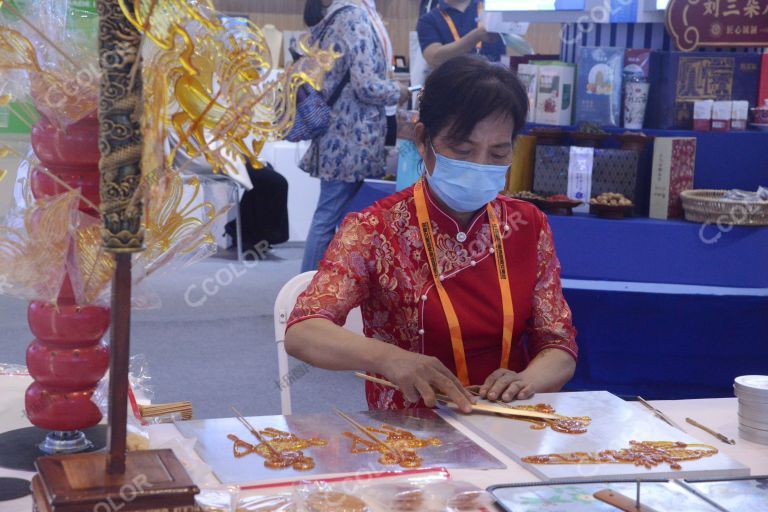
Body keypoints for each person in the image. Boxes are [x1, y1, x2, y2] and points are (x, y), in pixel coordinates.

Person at [286, 55, 577, 412]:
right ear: (423, 140)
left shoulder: (527, 224)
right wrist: (389, 358)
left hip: (506, 425)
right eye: (462, 149)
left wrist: (527, 380)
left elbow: (559, 346)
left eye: (498, 151)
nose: (479, 165)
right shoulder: (374, 229)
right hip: (409, 436)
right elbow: (303, 331)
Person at [300, 0, 410, 272]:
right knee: (327, 217)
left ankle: (316, 288)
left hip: (340, 135)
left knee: (331, 216)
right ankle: (306, 291)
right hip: (350, 137)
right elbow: (366, 85)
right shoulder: (355, 18)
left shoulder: (337, 16)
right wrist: (400, 92)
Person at [416, 0, 506, 69]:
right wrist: (476, 36)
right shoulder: (428, 20)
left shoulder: (492, 8)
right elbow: (434, 58)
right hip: (455, 87)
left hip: (496, 85)